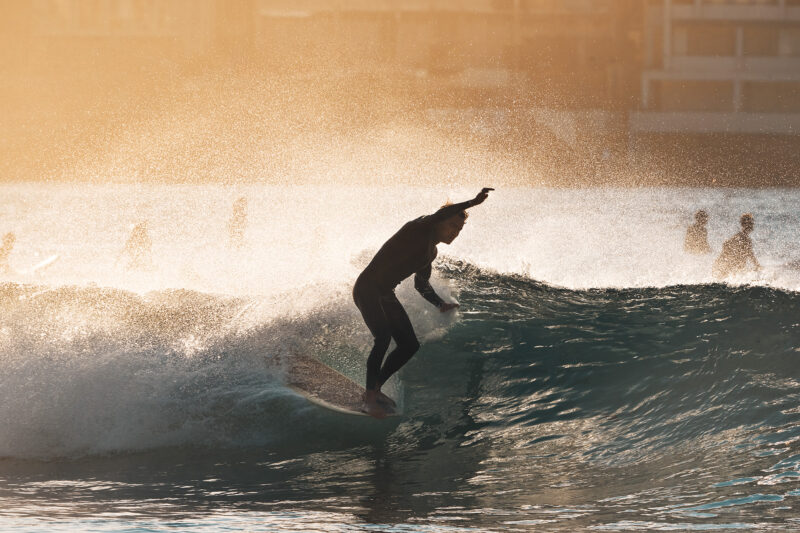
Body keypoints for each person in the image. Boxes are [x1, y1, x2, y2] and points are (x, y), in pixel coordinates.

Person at [353, 188, 493, 418]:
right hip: (367, 287)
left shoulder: (431, 252)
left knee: (409, 345)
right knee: (383, 337)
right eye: (453, 226)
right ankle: (369, 399)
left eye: (459, 230)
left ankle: (375, 389)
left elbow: (421, 284)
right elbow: (437, 215)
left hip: (384, 293)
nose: (455, 233)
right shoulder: (417, 229)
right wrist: (473, 202)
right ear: (440, 220)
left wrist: (439, 304)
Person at [712, 213, 761, 279]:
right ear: (744, 224)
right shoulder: (744, 239)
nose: (752, 225)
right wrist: (758, 266)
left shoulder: (738, 237)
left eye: (752, 223)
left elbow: (725, 246)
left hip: (733, 269)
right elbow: (751, 255)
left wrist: (718, 263)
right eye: (750, 223)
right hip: (734, 270)